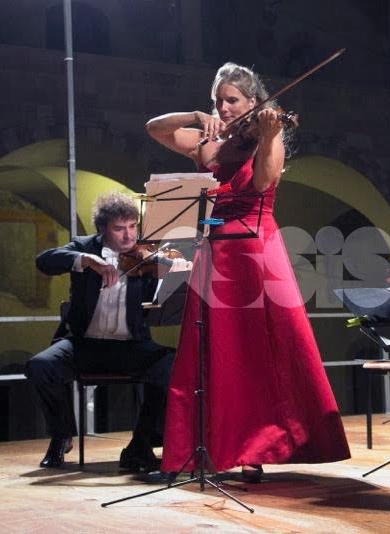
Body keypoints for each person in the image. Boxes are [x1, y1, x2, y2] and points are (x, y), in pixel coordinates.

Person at [145, 62, 350, 482]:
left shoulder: (266, 138)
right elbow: (155, 129)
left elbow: (262, 183)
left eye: (232, 101)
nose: (224, 108)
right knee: (219, 353)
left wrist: (270, 135)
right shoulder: (208, 142)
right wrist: (195, 116)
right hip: (214, 251)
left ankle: (258, 448)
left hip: (256, 250)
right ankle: (214, 447)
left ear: (253, 102)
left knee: (258, 350)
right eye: (218, 101)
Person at [25, 192, 181, 470]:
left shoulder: (147, 256)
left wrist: (172, 271)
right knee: (40, 366)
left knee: (173, 365)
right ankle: (61, 435)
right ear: (102, 229)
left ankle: (140, 446)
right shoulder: (85, 246)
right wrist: (86, 260)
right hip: (83, 345)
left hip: (130, 346)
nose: (128, 235)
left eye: (132, 226)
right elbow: (44, 260)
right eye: (119, 228)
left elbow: (171, 289)